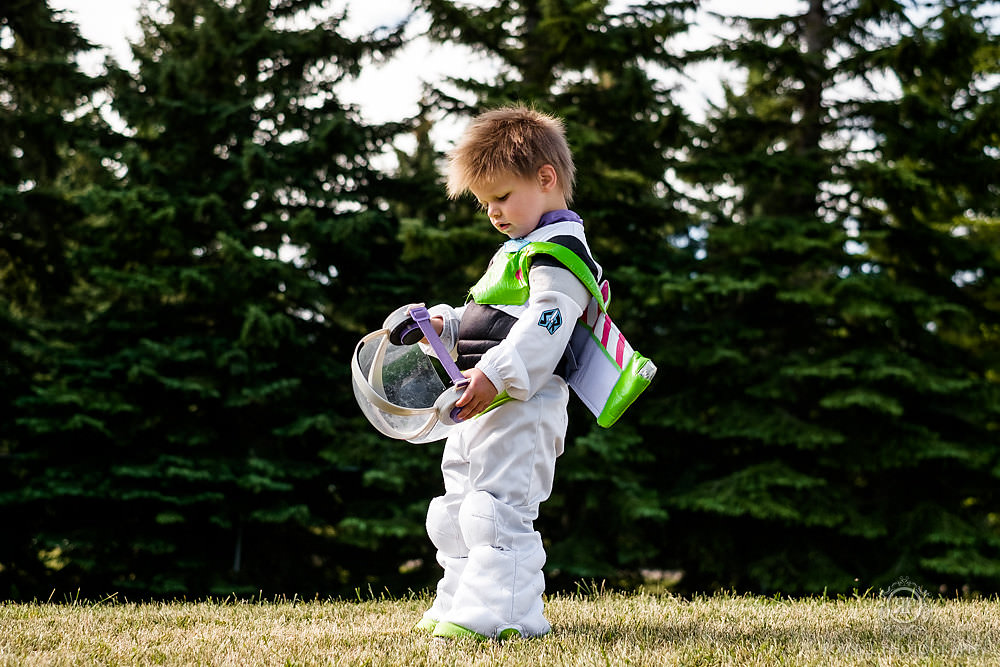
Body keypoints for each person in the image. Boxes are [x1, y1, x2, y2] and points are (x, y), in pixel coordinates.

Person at [414, 105, 603, 641]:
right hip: (479, 400)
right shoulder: (515, 251)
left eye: (501, 196)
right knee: (455, 511)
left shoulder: (561, 254)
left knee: (496, 511)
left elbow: (544, 326)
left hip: (522, 401)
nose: (492, 211)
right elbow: (489, 320)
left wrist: (497, 375)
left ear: (545, 179)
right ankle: (460, 600)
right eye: (484, 202)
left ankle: (506, 613)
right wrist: (439, 327)